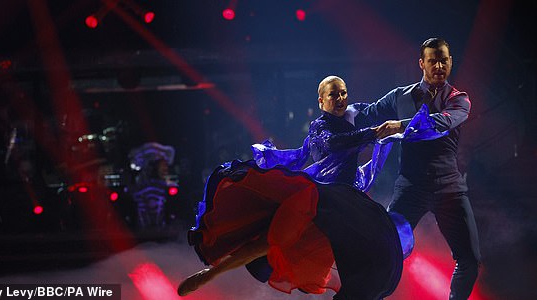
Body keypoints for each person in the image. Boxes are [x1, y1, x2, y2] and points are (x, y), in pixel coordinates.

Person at [177, 75, 425, 299]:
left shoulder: (356, 114)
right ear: (321, 101)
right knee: (271, 241)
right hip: (319, 197)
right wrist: (372, 133)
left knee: (366, 243)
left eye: (343, 93)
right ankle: (209, 274)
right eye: (333, 94)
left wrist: (415, 94)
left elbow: (381, 107)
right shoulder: (320, 126)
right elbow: (334, 143)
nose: (339, 98)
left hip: (347, 200)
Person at [354, 38, 481, 300]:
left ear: (450, 62)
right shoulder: (400, 96)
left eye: (443, 60)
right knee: (384, 251)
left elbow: (441, 122)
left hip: (450, 189)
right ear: (422, 63)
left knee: (469, 260)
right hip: (411, 187)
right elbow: (366, 114)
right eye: (432, 60)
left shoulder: (459, 100)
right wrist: (338, 111)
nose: (438, 65)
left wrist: (400, 125)